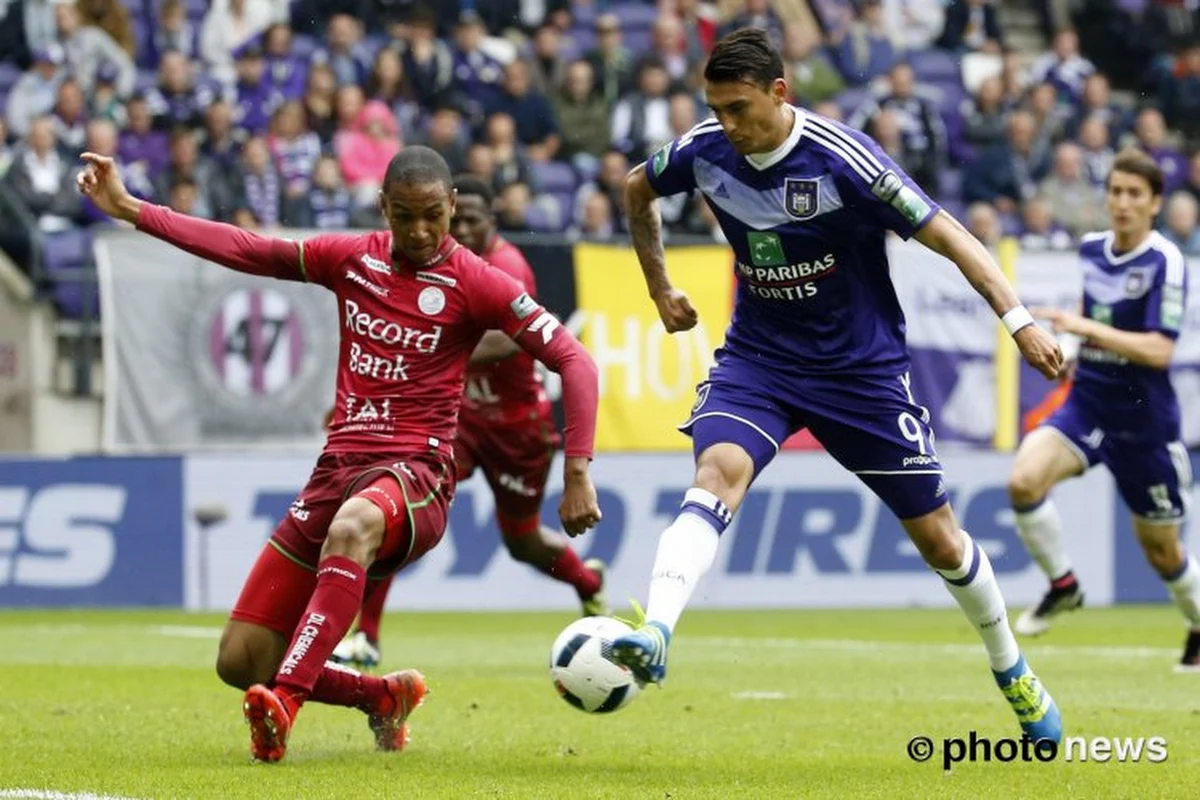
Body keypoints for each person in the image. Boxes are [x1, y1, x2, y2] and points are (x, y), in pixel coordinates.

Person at [603, 29, 1066, 744]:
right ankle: (657, 632)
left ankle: (1012, 669)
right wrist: (660, 288)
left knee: (941, 541)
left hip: (861, 373)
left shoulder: (847, 161)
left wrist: (1019, 321)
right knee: (716, 470)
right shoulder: (704, 149)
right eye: (716, 108)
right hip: (761, 359)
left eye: (738, 108)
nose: (727, 125)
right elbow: (636, 188)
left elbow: (952, 238)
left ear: (779, 93)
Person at [75, 146, 602, 763]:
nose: (421, 230)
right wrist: (132, 209)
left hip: (417, 475)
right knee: (241, 659)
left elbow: (575, 358)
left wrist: (577, 470)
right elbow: (246, 247)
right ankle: (381, 696)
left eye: (434, 215)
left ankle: (285, 709)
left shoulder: (478, 281)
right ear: (383, 208)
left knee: (353, 530)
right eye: (404, 216)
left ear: (452, 207)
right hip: (338, 472)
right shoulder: (350, 259)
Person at [330, 174, 609, 669]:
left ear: (492, 221)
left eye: (475, 221)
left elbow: (510, 340)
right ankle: (365, 637)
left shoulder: (506, 267)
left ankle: (587, 582)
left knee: (522, 543)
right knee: (392, 507)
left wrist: (433, 349)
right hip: (457, 423)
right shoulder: (432, 264)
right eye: (459, 223)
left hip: (518, 430)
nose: (466, 231)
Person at [1008, 149, 1199, 672]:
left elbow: (1160, 349)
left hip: (1144, 422)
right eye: (1115, 191)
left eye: (1135, 194)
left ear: (1155, 203)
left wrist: (1084, 329)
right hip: (1089, 402)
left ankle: (1199, 624)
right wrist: (1070, 351)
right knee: (1024, 481)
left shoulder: (1166, 260)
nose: (1122, 203)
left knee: (1162, 553)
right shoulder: (1092, 250)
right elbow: (1095, 321)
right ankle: (1063, 584)